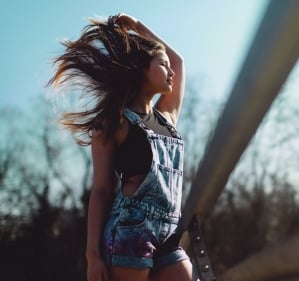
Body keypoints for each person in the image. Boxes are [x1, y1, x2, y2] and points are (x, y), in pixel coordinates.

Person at [48, 13, 192, 281]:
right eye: (162, 64)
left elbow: (179, 62)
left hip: (169, 231)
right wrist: (92, 256)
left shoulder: (168, 118)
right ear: (141, 69)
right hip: (130, 229)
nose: (170, 71)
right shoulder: (113, 122)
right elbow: (101, 190)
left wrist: (137, 27)